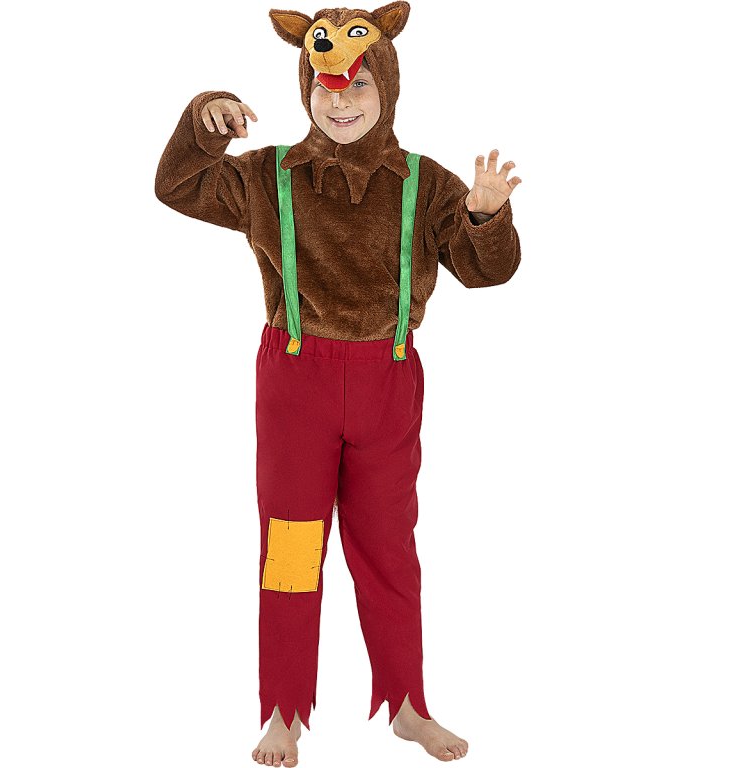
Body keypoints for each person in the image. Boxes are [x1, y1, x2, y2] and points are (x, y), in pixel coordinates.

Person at [154, 3, 521, 764]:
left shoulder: (427, 183)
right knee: (291, 547)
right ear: (306, 88)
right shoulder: (268, 176)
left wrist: (486, 218)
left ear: (387, 85)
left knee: (388, 548)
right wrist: (206, 121)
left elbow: (486, 272)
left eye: (359, 86)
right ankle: (284, 710)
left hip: (388, 383)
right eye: (327, 88)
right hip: (297, 383)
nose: (342, 101)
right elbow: (177, 185)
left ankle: (408, 705)